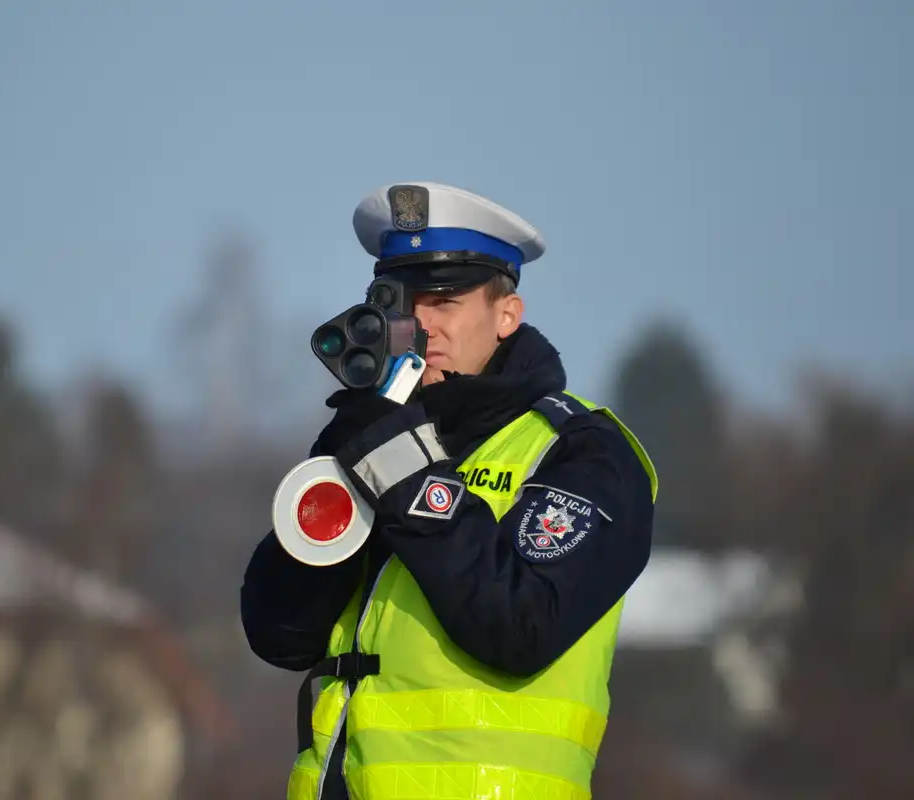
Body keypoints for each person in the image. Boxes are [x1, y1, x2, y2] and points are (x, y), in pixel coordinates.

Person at [240, 181, 658, 800]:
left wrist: (401, 468)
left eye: (444, 302)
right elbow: (279, 633)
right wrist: (351, 449)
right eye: (402, 304)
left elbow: (519, 626)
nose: (421, 327)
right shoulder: (377, 433)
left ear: (506, 314)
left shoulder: (581, 450)